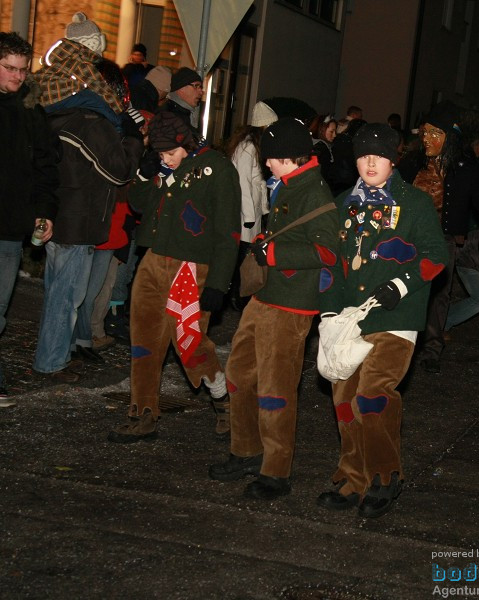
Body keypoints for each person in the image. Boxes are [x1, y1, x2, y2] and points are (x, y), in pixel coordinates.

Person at [317, 123, 448, 518]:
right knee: (343, 400)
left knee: (372, 396)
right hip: (350, 318)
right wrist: (328, 309)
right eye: (362, 154)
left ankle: (385, 475)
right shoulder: (343, 204)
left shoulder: (416, 204)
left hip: (396, 316)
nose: (370, 162)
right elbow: (331, 264)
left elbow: (435, 256)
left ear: (394, 159)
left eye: (379, 155)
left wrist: (401, 285)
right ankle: (352, 477)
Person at [209, 117, 340, 500]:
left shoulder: (314, 191)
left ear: (289, 157)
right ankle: (247, 450)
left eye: (271, 158)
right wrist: (267, 241)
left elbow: (329, 252)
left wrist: (275, 251)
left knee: (276, 389)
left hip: (292, 305)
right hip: (266, 298)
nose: (266, 164)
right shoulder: (290, 183)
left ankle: (276, 471)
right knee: (238, 373)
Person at [107, 111, 240, 443]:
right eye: (160, 153)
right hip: (153, 260)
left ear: (186, 145)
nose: (164, 158)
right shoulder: (165, 165)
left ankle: (222, 397)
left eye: (169, 153)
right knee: (144, 341)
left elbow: (228, 234)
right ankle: (143, 412)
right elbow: (139, 205)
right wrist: (144, 175)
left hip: (190, 268)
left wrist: (217, 284)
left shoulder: (218, 170)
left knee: (190, 344)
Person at [32, 55, 143, 383]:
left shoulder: (59, 112)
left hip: (57, 214)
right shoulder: (92, 121)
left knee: (57, 291)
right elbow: (120, 170)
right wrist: (134, 139)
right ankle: (51, 360)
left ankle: (55, 354)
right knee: (67, 295)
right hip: (77, 220)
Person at [397, 101, 479, 373]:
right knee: (404, 289)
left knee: (438, 295)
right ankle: (398, 343)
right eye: (425, 132)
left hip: (440, 239)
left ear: (450, 137)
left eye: (436, 133)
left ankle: (432, 347)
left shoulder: (464, 168)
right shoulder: (411, 163)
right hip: (406, 237)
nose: (427, 139)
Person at [0, 32, 60, 405]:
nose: (18, 77)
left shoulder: (30, 110)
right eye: (9, 68)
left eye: (23, 70)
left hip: (8, 227)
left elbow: (46, 165)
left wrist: (45, 212)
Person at [224, 100, 278, 308]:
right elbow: (243, 184)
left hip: (251, 211)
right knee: (241, 257)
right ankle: (239, 296)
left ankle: (239, 295)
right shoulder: (247, 148)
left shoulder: (252, 146)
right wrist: (248, 217)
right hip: (244, 213)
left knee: (243, 255)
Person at [165, 67, 204, 133]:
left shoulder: (183, 114)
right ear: (181, 88)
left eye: (200, 87)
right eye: (196, 86)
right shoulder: (169, 118)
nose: (201, 92)